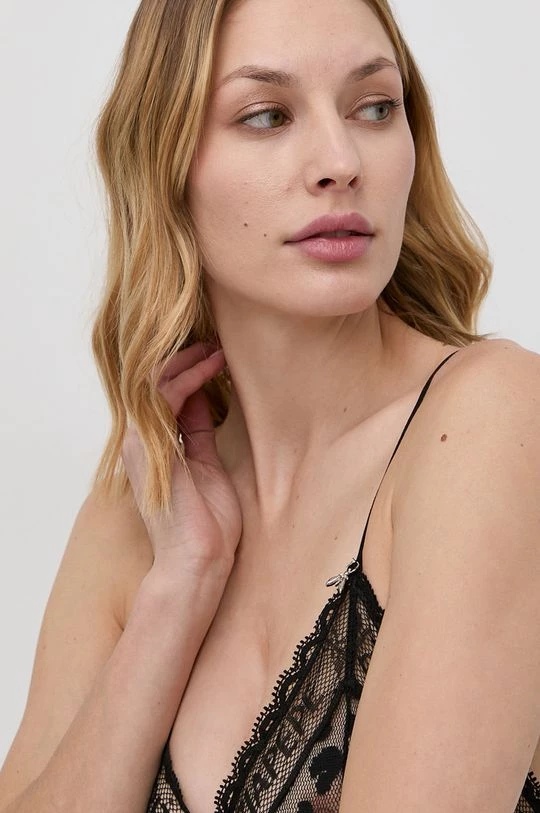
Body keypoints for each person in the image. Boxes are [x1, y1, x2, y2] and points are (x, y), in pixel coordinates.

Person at [1, 0, 539, 810]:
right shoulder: (137, 513)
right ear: (165, 165)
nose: (340, 160)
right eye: (266, 116)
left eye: (374, 107)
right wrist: (178, 591)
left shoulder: (491, 422)